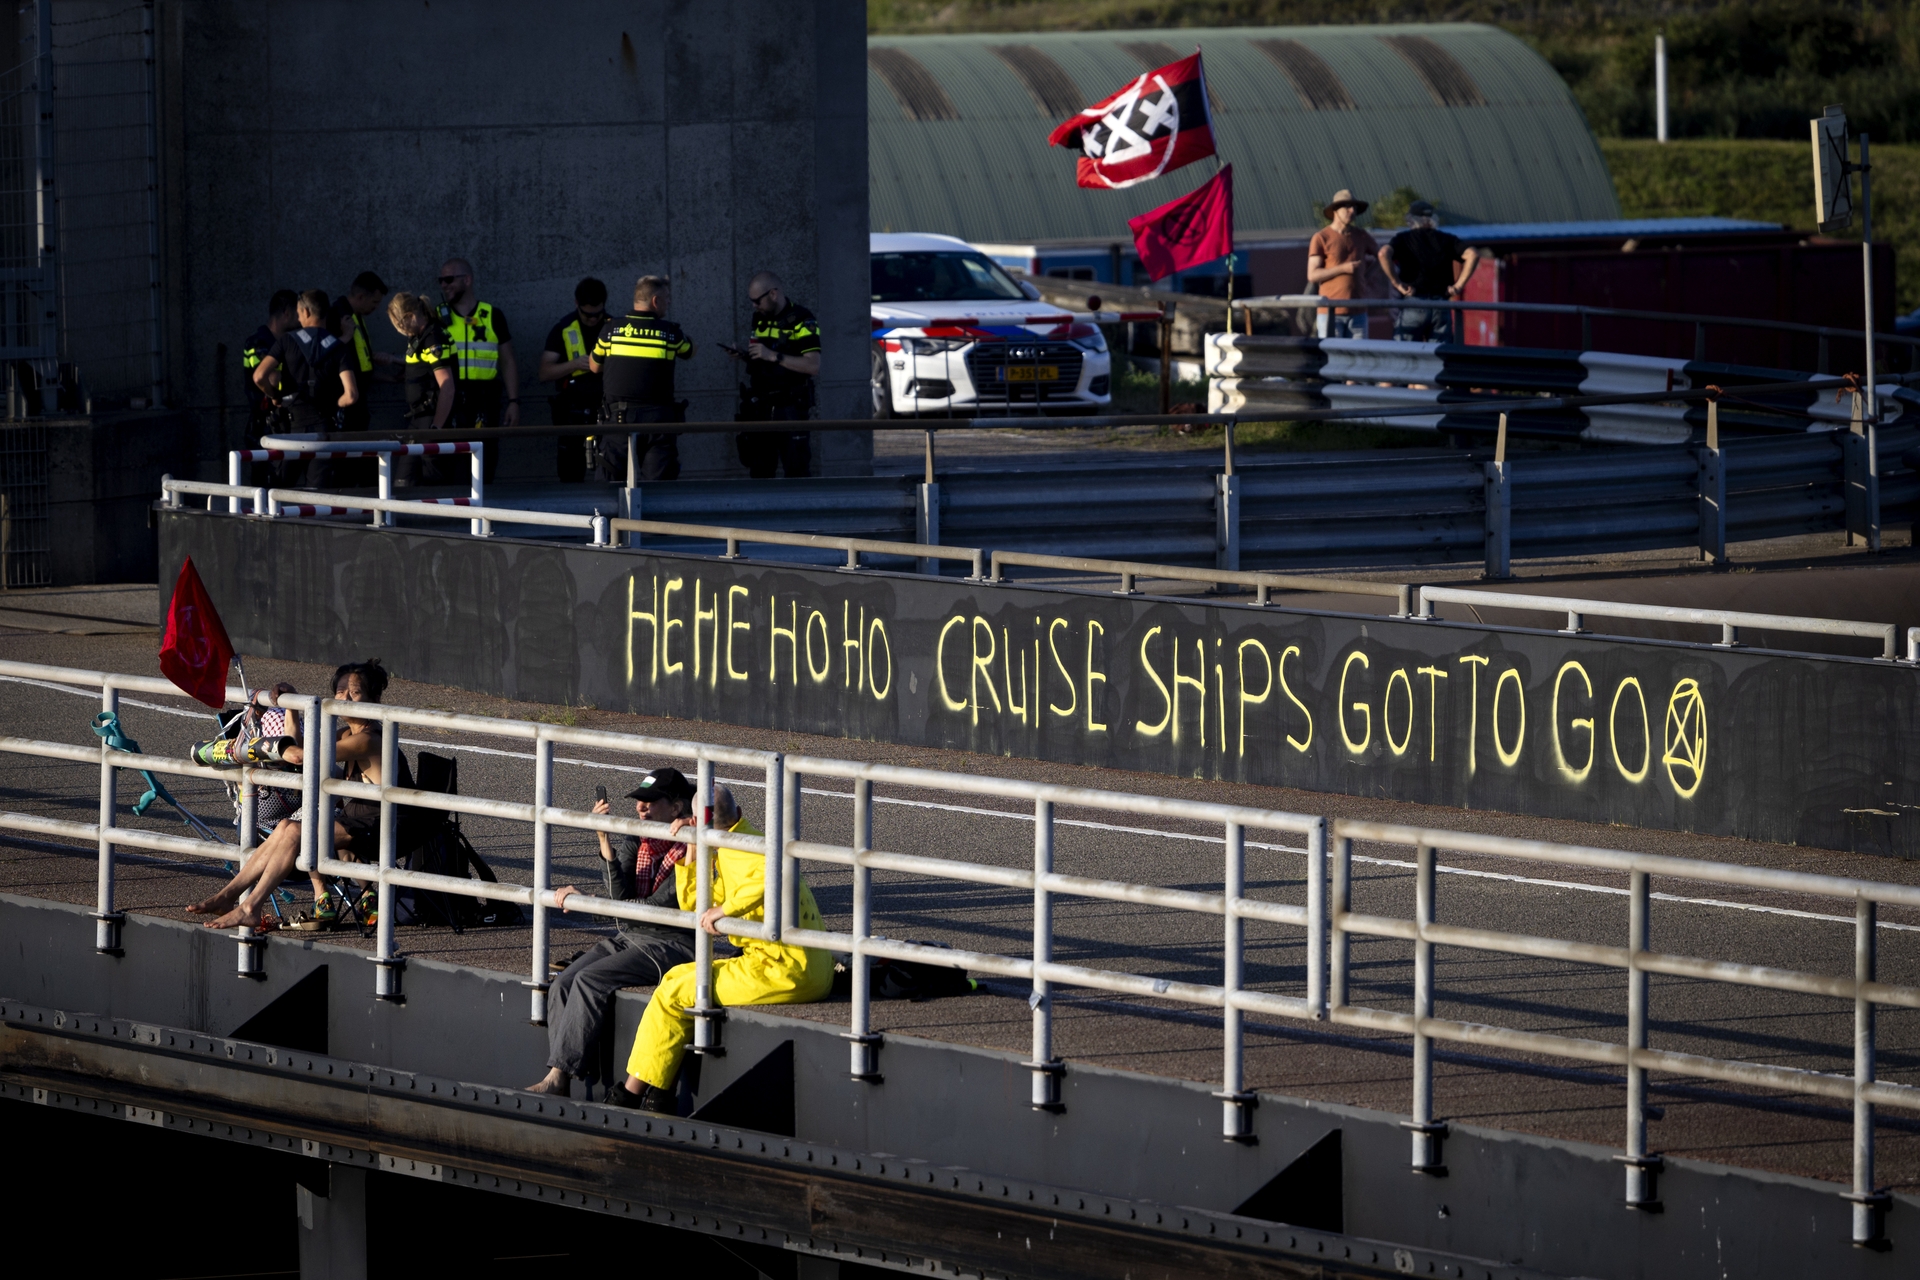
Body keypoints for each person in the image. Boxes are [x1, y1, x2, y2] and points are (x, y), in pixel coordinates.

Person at [608, 778, 834, 1113]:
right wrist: (695, 850)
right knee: (677, 981)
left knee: (673, 991)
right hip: (801, 964)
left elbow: (769, 877)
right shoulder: (740, 840)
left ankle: (630, 1095)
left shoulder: (748, 850)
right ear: (740, 812)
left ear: (697, 821)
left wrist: (725, 910)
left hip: (783, 969)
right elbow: (692, 904)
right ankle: (657, 1093)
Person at [526, 767, 705, 1099]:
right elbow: (620, 897)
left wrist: (592, 903)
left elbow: (660, 905)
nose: (640, 808)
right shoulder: (637, 837)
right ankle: (560, 1077)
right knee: (563, 983)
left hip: (671, 944)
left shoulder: (692, 847)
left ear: (677, 808)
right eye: (638, 801)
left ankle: (558, 1076)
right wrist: (603, 837)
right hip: (631, 935)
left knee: (590, 980)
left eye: (650, 801)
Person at [185, 661, 396, 932]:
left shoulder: (369, 739)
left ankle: (249, 907)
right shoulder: (348, 733)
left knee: (296, 832)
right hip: (357, 819)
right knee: (286, 826)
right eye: (340, 691)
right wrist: (292, 708)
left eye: (354, 693)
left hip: (379, 824)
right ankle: (229, 896)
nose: (343, 698)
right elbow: (299, 750)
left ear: (374, 699)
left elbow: (299, 755)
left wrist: (263, 747)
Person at [251, 289, 360, 490]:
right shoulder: (338, 346)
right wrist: (335, 402)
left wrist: (275, 396)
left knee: (279, 492)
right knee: (317, 496)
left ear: (307, 312)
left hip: (290, 428)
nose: (299, 318)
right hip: (323, 429)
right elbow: (351, 395)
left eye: (299, 313)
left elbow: (259, 376)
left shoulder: (287, 341)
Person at [588, 275, 693, 483]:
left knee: (608, 492)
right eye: (667, 298)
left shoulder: (611, 330)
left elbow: (594, 366)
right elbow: (690, 351)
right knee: (657, 493)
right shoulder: (670, 333)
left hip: (617, 423)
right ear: (655, 301)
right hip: (658, 427)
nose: (669, 302)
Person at [727, 270, 820, 479]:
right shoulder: (759, 319)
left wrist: (773, 355)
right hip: (760, 406)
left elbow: (813, 365)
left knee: (796, 470)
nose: (754, 306)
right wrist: (743, 354)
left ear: (773, 294)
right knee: (760, 471)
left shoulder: (803, 320)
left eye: (757, 301)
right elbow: (759, 357)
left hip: (790, 407)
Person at [437, 257, 520, 482]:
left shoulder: (492, 315)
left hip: (485, 400)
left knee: (485, 461)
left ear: (467, 280)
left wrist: (514, 402)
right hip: (450, 399)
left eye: (449, 279)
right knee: (450, 463)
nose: (444, 285)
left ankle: (483, 513)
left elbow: (508, 361)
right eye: (440, 281)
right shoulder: (437, 316)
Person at [538, 277, 612, 482]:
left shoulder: (614, 328)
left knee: (610, 470)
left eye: (597, 314)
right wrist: (574, 365)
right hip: (572, 410)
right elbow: (544, 373)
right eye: (587, 314)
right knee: (570, 472)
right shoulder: (563, 328)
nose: (592, 319)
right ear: (576, 304)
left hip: (605, 410)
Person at [1379, 200, 1481, 344]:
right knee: (1439, 356)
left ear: (1411, 219)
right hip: (1441, 305)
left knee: (1406, 355)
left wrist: (1397, 283)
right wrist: (1458, 286)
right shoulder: (1447, 239)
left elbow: (1383, 254)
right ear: (1433, 219)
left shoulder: (1403, 239)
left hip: (1413, 302)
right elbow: (1473, 254)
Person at [387, 291, 456, 487]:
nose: (400, 329)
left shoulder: (432, 338)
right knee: (403, 483)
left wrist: (436, 429)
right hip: (418, 420)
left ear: (410, 317)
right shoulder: (420, 336)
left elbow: (447, 386)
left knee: (432, 482)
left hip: (430, 419)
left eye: (399, 324)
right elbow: (421, 367)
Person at [240, 290, 299, 485]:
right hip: (264, 425)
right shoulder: (259, 342)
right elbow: (269, 378)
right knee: (266, 485)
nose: (301, 318)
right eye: (298, 312)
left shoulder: (287, 343)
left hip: (283, 423)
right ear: (286, 313)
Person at [1306, 189, 1381, 340]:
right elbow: (1312, 275)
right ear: (1335, 210)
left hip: (1358, 311)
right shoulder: (1321, 237)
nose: (1352, 210)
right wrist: (1343, 269)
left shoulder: (1361, 235)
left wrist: (1366, 275)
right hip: (1330, 313)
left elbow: (1382, 256)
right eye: (1346, 206)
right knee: (1333, 358)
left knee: (1359, 358)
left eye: (1354, 207)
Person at [328, 271, 394, 432]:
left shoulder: (356, 318)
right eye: (374, 302)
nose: (376, 307)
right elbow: (325, 357)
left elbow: (360, 366)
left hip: (358, 402)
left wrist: (391, 378)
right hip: (343, 402)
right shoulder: (337, 317)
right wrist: (345, 337)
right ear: (360, 297)